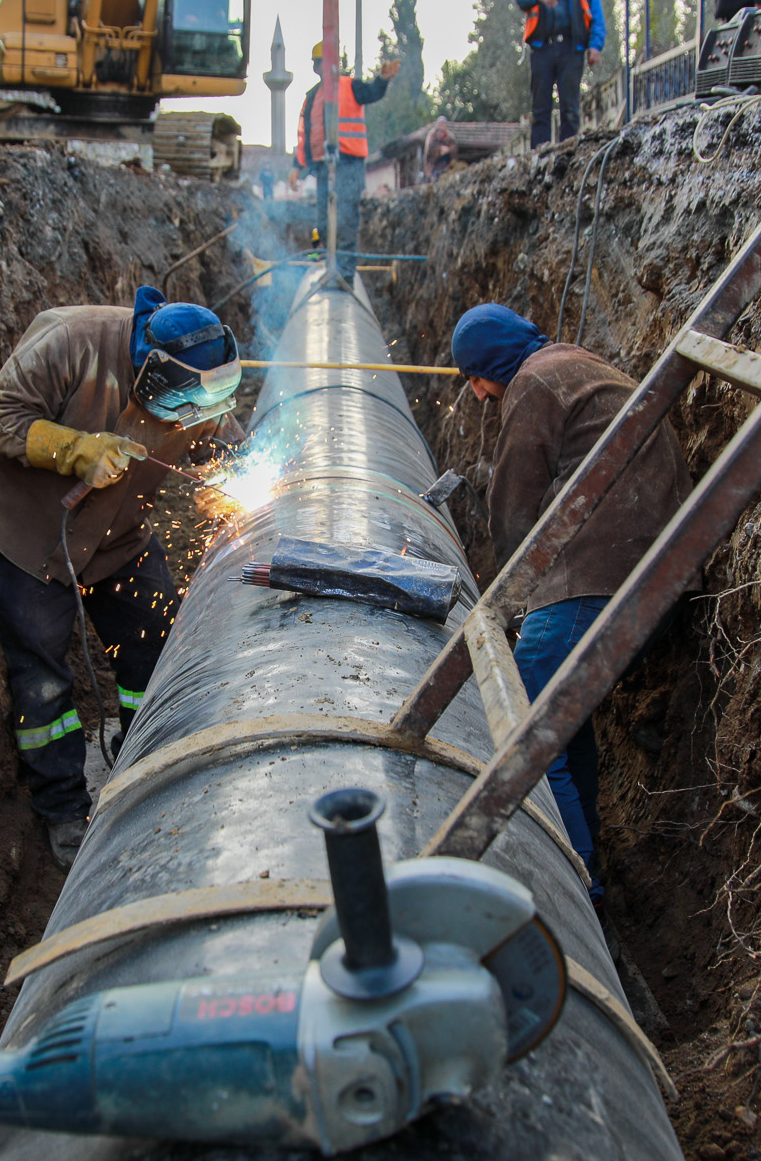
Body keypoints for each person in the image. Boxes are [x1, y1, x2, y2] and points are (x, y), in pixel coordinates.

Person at [0, 286, 244, 867]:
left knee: (157, 644)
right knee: (43, 681)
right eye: (185, 405)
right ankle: (63, 809)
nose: (193, 418)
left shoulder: (198, 382)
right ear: (153, 371)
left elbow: (221, 439)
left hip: (120, 540)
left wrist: (237, 475)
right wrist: (75, 449)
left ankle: (141, 755)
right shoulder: (71, 340)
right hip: (31, 541)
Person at [451, 303, 691, 903]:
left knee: (527, 715)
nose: (478, 395)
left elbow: (514, 504)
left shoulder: (531, 384)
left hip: (598, 575)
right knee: (563, 715)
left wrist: (508, 600)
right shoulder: (574, 363)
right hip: (656, 565)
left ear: (492, 365)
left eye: (475, 378)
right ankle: (589, 849)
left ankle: (576, 885)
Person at [288, 45, 401, 272]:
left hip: (349, 164)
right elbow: (306, 136)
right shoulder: (312, 97)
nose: (325, 67)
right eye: (320, 62)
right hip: (323, 167)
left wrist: (382, 80)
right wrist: (297, 166)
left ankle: (345, 275)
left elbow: (372, 93)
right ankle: (332, 267)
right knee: (324, 224)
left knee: (346, 221)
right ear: (316, 66)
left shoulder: (350, 86)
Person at [514, 0, 606, 148]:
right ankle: (540, 156)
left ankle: (568, 153)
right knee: (541, 110)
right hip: (542, 49)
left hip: (571, 49)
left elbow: (596, 12)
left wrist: (595, 45)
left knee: (570, 109)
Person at [421, 116, 457, 182]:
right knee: (434, 176)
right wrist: (440, 149)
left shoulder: (449, 135)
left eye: (444, 123)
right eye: (441, 123)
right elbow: (429, 148)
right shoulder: (432, 134)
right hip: (434, 163)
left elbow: (453, 146)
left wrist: (448, 149)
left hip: (446, 161)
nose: (442, 125)